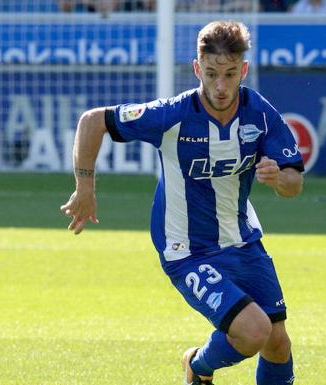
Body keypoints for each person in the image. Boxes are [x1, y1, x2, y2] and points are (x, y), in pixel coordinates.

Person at [61, 20, 303, 385]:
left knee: (278, 342)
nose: (220, 86)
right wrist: (85, 188)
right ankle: (198, 366)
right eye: (211, 74)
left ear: (244, 70)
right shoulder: (172, 114)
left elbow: (294, 183)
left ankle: (198, 368)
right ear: (196, 69)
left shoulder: (260, 113)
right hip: (187, 250)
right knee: (254, 332)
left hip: (243, 240)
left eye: (230, 74)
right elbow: (93, 121)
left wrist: (278, 178)